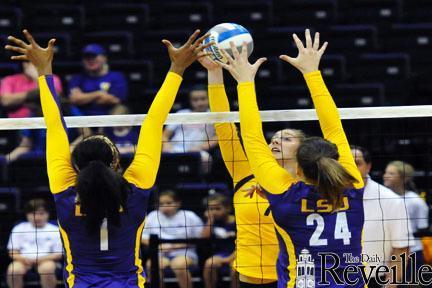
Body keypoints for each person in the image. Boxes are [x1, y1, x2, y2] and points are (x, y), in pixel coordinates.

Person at [5, 28, 212, 287]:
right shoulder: (135, 189)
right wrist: (177, 69)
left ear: (75, 165)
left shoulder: (66, 190)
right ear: (116, 162)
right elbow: (153, 123)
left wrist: (43, 70)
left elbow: (55, 126)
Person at [219, 30, 366, 287]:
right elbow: (334, 128)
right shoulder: (353, 183)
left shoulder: (284, 193)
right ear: (334, 159)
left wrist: (245, 81)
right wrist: (313, 72)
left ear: (300, 167)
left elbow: (252, 136)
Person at [201, 55, 296, 288]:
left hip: (293, 274)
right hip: (249, 275)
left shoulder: (306, 183)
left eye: (286, 138)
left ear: (302, 149)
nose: (276, 142)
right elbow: (224, 129)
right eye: (273, 138)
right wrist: (214, 73)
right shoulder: (245, 174)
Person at [351, 146, 410, 287]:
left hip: (374, 280)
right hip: (333, 278)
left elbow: (401, 249)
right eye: (346, 163)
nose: (351, 168)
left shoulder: (391, 200)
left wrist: (390, 285)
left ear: (368, 166)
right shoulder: (327, 199)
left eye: (357, 163)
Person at [142, 190, 203, 288]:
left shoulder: (189, 215)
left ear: (178, 203)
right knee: (151, 265)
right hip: (161, 254)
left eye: (169, 203)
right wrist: (159, 246)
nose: (165, 206)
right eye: (161, 203)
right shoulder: (153, 216)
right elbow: (143, 237)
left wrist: (175, 246)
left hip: (185, 253)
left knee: (178, 265)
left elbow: (200, 237)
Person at [383, 161, 430, 272]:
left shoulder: (416, 201)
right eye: (386, 172)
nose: (385, 176)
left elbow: (423, 229)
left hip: (412, 251)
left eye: (391, 173)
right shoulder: (383, 197)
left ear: (403, 178)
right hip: (388, 252)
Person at [7, 198, 63, 288]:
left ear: (47, 214)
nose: (37, 217)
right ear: (27, 214)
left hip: (47, 260)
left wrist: (39, 260)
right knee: (14, 270)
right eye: (33, 213)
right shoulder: (19, 228)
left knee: (46, 269)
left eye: (41, 213)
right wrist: (24, 259)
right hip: (23, 260)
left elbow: (58, 254)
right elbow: (13, 252)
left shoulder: (55, 230)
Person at [162, 85, 218, 172]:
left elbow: (219, 137)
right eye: (195, 100)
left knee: (206, 159)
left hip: (198, 150)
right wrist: (166, 145)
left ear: (208, 98)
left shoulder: (214, 115)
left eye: (203, 99)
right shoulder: (181, 114)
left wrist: (203, 147)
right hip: (175, 149)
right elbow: (165, 135)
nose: (199, 103)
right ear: (190, 101)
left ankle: (201, 183)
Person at [67, 44, 127, 116]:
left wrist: (84, 97)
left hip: (108, 116)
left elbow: (115, 100)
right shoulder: (77, 78)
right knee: (72, 109)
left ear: (104, 58)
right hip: (83, 117)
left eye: (94, 56)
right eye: (87, 57)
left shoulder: (116, 76)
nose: (90, 60)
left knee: (121, 109)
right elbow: (74, 100)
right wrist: (99, 94)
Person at [201, 193, 236, 288]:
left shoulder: (236, 222)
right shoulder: (212, 222)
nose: (214, 212)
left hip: (237, 253)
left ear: (228, 208)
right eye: (211, 209)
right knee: (209, 263)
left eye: (217, 209)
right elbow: (203, 238)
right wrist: (209, 220)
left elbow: (242, 245)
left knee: (235, 269)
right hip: (220, 254)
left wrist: (228, 259)